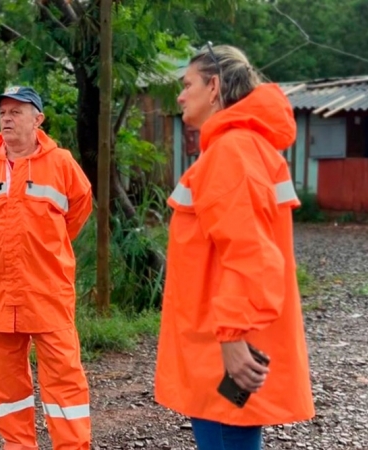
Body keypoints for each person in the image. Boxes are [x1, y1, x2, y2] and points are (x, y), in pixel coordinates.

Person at [154, 44, 315, 449]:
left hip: (221, 342)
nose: (180, 95)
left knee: (225, 437)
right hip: (222, 335)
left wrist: (230, 337)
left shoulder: (231, 150)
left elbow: (250, 252)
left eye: (187, 84)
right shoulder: (239, 146)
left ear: (214, 87)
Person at [0, 86, 94, 449]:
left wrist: (44, 247)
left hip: (47, 291)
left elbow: (79, 211)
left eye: (16, 111)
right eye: (3, 111)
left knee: (64, 379)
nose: (6, 117)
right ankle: (18, 445)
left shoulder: (62, 164)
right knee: (6, 385)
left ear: (38, 119)